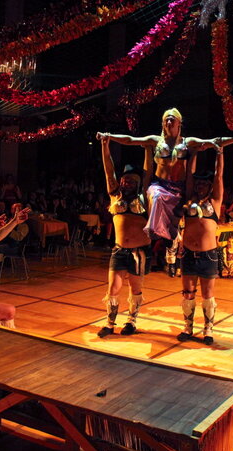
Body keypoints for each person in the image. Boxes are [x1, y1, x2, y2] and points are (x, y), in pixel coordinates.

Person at [97, 108, 233, 241]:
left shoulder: (187, 142)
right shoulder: (156, 141)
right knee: (156, 196)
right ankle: (154, 229)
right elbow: (130, 140)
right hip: (160, 184)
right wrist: (109, 136)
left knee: (182, 209)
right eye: (166, 120)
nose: (169, 122)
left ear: (179, 123)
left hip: (179, 186)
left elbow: (214, 142)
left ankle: (173, 233)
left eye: (172, 119)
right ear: (163, 123)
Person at [178, 136, 233, 345]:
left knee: (207, 295)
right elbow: (188, 175)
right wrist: (194, 153)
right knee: (188, 293)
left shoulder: (215, 201)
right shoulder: (189, 198)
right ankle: (188, 327)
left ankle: (208, 329)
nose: (200, 186)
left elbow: (219, 175)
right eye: (198, 183)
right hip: (188, 253)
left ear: (209, 186)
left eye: (204, 184)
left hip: (208, 255)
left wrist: (219, 151)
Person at [97, 135, 153, 337]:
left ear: (137, 183)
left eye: (130, 181)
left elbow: (148, 173)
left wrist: (148, 150)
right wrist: (105, 146)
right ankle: (109, 324)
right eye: (124, 180)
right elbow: (108, 170)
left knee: (135, 288)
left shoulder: (145, 197)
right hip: (119, 250)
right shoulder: (115, 195)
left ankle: (131, 322)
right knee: (113, 288)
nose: (126, 183)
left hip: (139, 251)